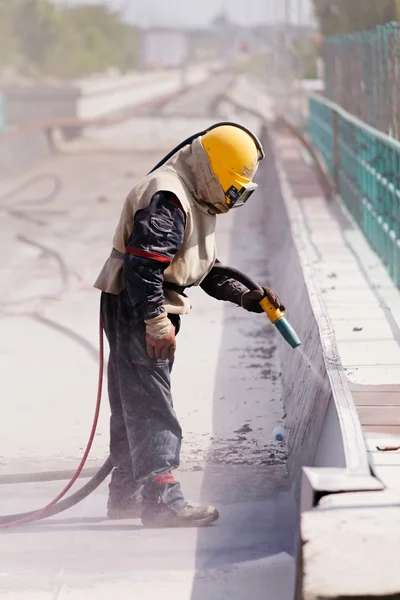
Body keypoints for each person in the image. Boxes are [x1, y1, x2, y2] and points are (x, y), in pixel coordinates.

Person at [94, 123, 285, 528]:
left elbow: (200, 265)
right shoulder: (169, 198)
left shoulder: (195, 194)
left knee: (134, 400)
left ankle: (126, 493)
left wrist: (243, 295)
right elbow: (143, 266)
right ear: (212, 172)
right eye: (233, 190)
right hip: (138, 304)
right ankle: (162, 499)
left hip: (141, 304)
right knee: (150, 403)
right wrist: (155, 320)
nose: (232, 201)